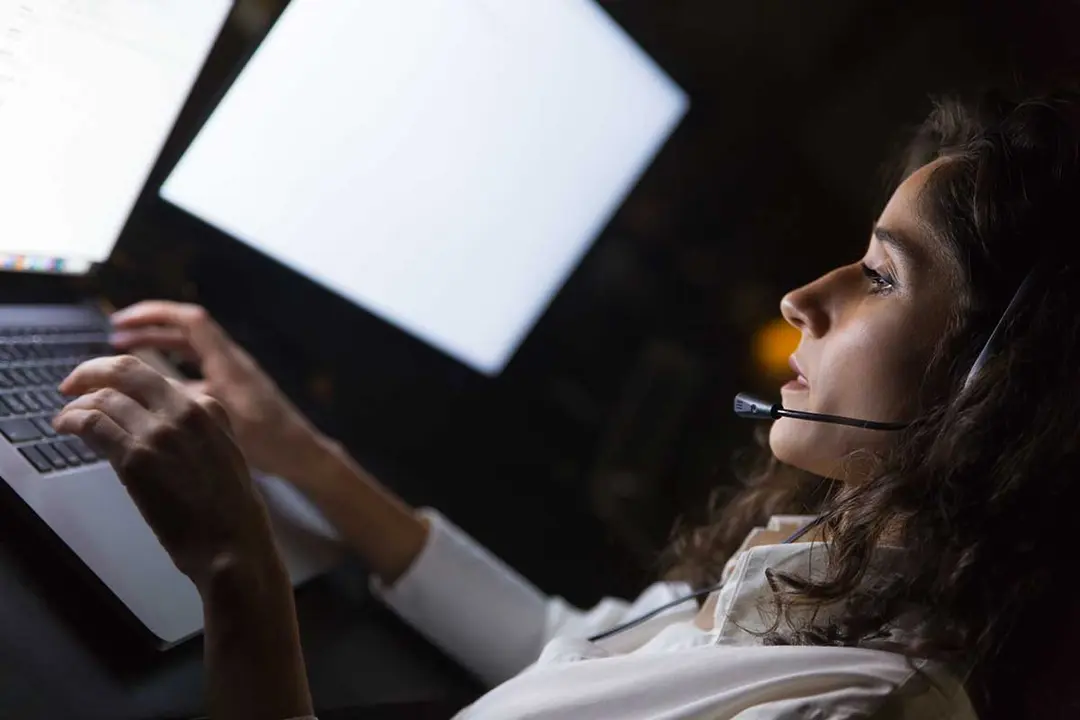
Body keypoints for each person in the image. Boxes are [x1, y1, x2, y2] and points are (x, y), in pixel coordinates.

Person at [52, 91, 1080, 719]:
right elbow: (573, 652)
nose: (803, 298)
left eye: (882, 277)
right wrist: (302, 454)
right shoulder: (835, 572)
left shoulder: (861, 709)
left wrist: (240, 573)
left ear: (997, 395)